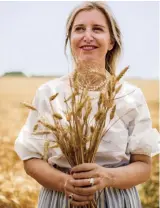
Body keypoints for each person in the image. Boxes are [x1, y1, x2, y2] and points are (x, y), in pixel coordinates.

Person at [14, 1, 160, 208]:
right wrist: (66, 183)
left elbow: (144, 167)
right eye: (79, 29)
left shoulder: (131, 96)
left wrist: (107, 177)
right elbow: (31, 158)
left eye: (97, 29)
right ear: (70, 39)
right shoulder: (49, 93)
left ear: (111, 42)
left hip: (115, 200)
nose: (87, 36)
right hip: (61, 199)